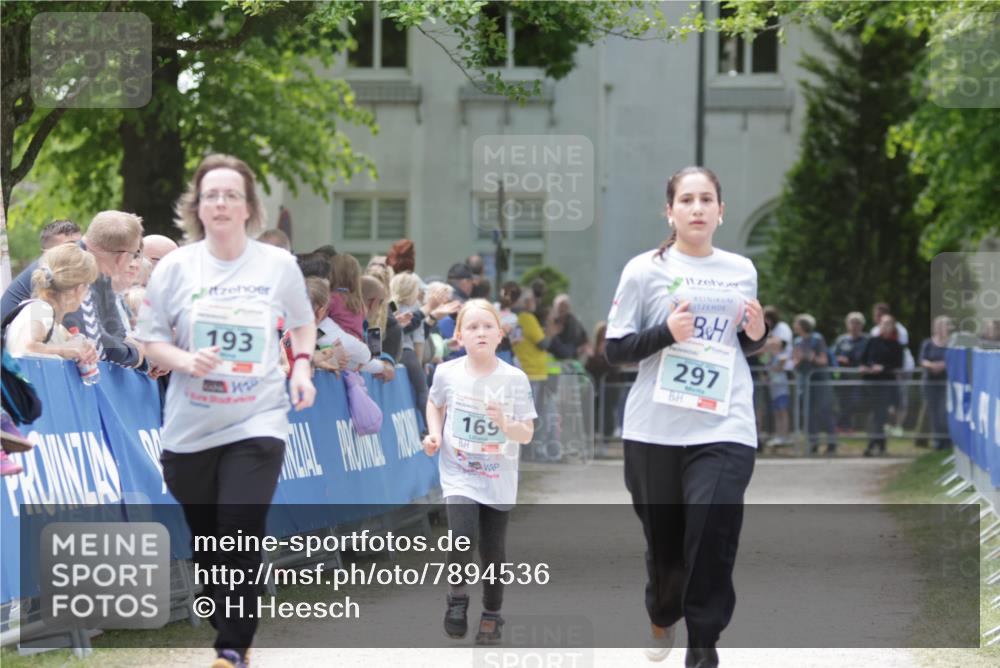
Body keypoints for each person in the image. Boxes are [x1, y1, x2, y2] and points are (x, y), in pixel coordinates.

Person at [135, 154, 316, 668]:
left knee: (240, 524)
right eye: (211, 195)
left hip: (258, 418)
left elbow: (302, 323)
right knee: (210, 538)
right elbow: (150, 340)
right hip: (191, 426)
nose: (220, 203)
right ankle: (224, 610)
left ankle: (232, 648)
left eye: (231, 195)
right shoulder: (175, 268)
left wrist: (301, 368)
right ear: (197, 206)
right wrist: (186, 360)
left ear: (249, 206)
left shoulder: (276, 265)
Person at [604, 166, 767, 666]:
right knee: (668, 552)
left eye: (707, 199)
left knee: (712, 534)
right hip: (655, 430)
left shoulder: (741, 270)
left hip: (725, 425)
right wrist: (665, 334)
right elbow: (615, 350)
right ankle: (661, 610)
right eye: (687, 200)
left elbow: (735, 344)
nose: (697, 208)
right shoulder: (643, 270)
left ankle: (703, 647)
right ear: (669, 211)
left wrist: (756, 335)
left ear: (721, 211)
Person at [421, 299, 536, 646]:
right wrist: (435, 434)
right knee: (461, 536)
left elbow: (526, 434)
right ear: (459, 337)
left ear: (500, 334)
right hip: (459, 471)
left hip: (498, 475)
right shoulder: (447, 372)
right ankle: (457, 599)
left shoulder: (514, 379)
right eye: (472, 327)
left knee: (492, 550)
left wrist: (505, 423)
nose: (481, 332)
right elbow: (434, 403)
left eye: (488, 326)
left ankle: (491, 612)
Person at [60, 211, 147, 370]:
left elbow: (117, 332)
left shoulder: (98, 271)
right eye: (134, 255)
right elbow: (95, 346)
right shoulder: (73, 267)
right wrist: (136, 355)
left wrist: (144, 359)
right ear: (122, 257)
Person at [5, 243, 99, 366]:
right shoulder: (41, 309)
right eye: (87, 286)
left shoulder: (55, 322)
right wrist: (65, 350)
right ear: (79, 289)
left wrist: (81, 345)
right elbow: (25, 348)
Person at [2, 219, 83, 316]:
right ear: (46, 252)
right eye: (69, 247)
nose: (78, 252)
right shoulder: (43, 273)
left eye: (79, 246)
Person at [792, 313, 838, 455]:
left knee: (824, 411)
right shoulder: (797, 341)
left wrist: (809, 356)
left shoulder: (817, 339)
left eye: (797, 323)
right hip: (805, 382)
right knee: (808, 413)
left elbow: (823, 360)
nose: (794, 326)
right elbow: (795, 362)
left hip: (819, 381)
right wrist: (799, 359)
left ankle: (832, 443)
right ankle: (813, 443)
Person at [860, 314, 905, 457]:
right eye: (883, 323)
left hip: (886, 383)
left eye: (888, 324)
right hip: (872, 383)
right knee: (878, 414)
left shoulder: (896, 345)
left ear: (892, 327)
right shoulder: (872, 341)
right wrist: (869, 367)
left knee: (880, 414)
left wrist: (883, 368)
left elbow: (898, 364)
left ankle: (872, 444)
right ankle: (880, 445)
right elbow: (864, 359)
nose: (885, 326)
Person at [919, 315, 952, 451]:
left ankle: (947, 441)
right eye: (940, 326)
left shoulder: (952, 344)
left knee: (943, 413)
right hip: (930, 383)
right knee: (934, 414)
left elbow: (954, 360)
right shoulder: (928, 343)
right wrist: (932, 366)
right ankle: (938, 442)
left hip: (945, 383)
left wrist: (943, 365)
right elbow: (922, 359)